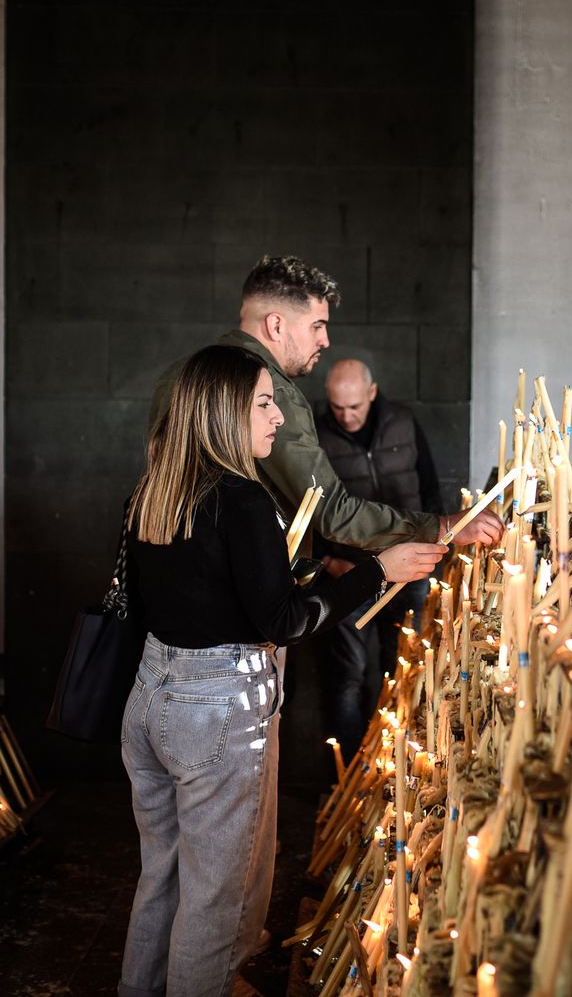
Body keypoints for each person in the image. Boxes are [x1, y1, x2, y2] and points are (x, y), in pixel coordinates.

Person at [117, 345, 445, 997]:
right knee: (213, 899)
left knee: (163, 876)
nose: (279, 418)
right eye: (263, 403)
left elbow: (176, 600)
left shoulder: (154, 488)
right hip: (215, 714)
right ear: (224, 413)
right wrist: (381, 570)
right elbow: (284, 622)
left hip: (151, 699)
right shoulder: (240, 499)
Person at [215, 255, 503, 555]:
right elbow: (330, 512)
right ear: (276, 325)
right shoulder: (271, 389)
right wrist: (443, 527)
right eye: (317, 325)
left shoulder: (190, 373)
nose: (325, 340)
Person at [314, 359, 444, 758]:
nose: (347, 416)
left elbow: (429, 488)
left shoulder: (402, 422)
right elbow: (307, 508)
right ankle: (348, 771)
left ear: (372, 393)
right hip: (350, 573)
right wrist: (331, 565)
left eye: (354, 406)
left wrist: (434, 548)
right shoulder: (317, 437)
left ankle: (396, 765)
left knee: (403, 667)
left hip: (410, 572)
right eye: (338, 408)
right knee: (347, 675)